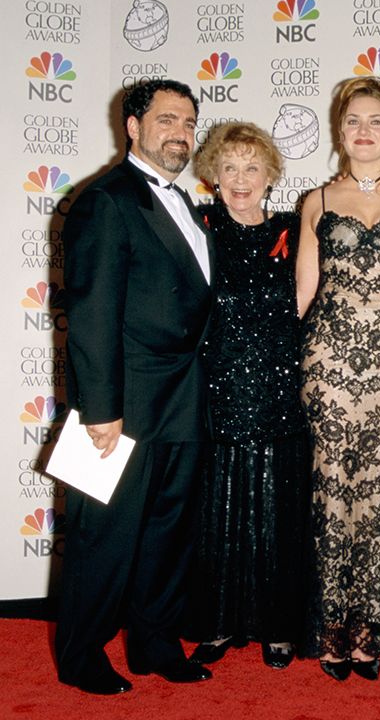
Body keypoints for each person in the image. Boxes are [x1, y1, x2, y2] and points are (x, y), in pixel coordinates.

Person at [55, 78, 213, 694]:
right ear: (133, 126)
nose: (181, 132)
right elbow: (92, 313)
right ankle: (80, 655)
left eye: (189, 122)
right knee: (103, 534)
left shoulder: (189, 203)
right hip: (123, 405)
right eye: (168, 119)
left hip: (183, 398)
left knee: (168, 532)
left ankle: (155, 643)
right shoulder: (106, 200)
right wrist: (100, 411)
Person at [296, 76, 380, 683]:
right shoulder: (316, 201)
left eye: (376, 121)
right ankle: (331, 628)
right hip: (329, 363)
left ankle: (371, 629)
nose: (364, 131)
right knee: (332, 490)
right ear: (339, 131)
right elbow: (304, 291)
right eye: (353, 121)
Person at [185, 122, 310, 670]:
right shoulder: (199, 225)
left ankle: (279, 628)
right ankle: (216, 624)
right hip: (218, 389)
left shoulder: (293, 230)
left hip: (283, 391)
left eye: (252, 168)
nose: (240, 179)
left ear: (270, 176)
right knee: (218, 510)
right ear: (212, 174)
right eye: (229, 167)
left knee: (280, 513)